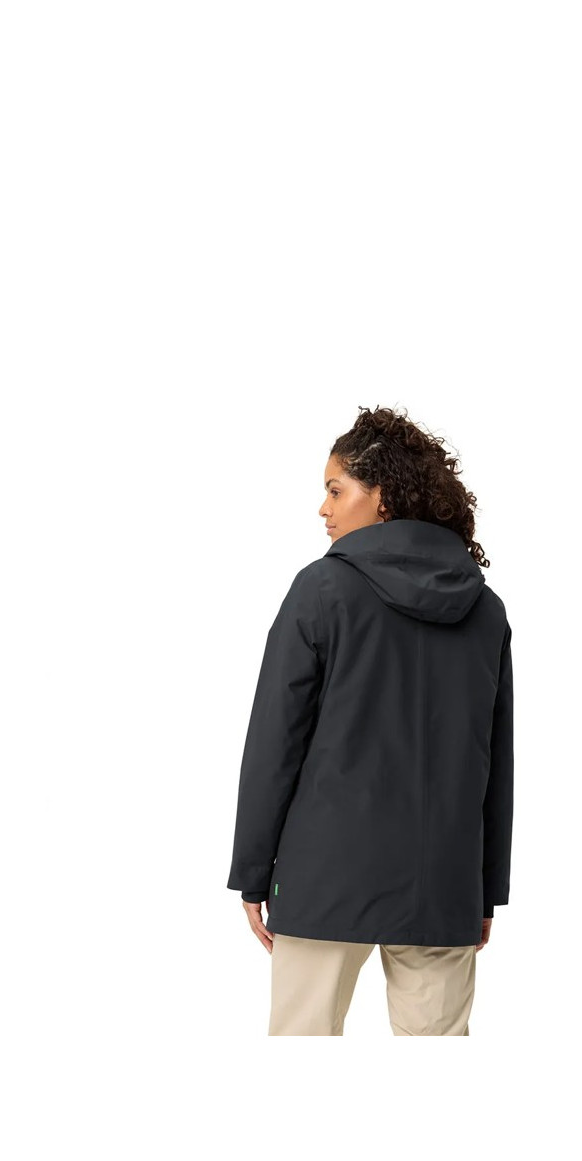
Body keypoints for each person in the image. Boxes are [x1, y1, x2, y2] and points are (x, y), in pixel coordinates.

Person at [227, 404, 513, 1035]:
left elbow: (275, 740)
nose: (323, 509)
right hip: (442, 881)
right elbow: (494, 761)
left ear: (382, 496)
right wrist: (485, 887)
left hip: (324, 875)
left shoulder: (321, 590)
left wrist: (251, 872)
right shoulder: (485, 609)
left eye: (336, 490)